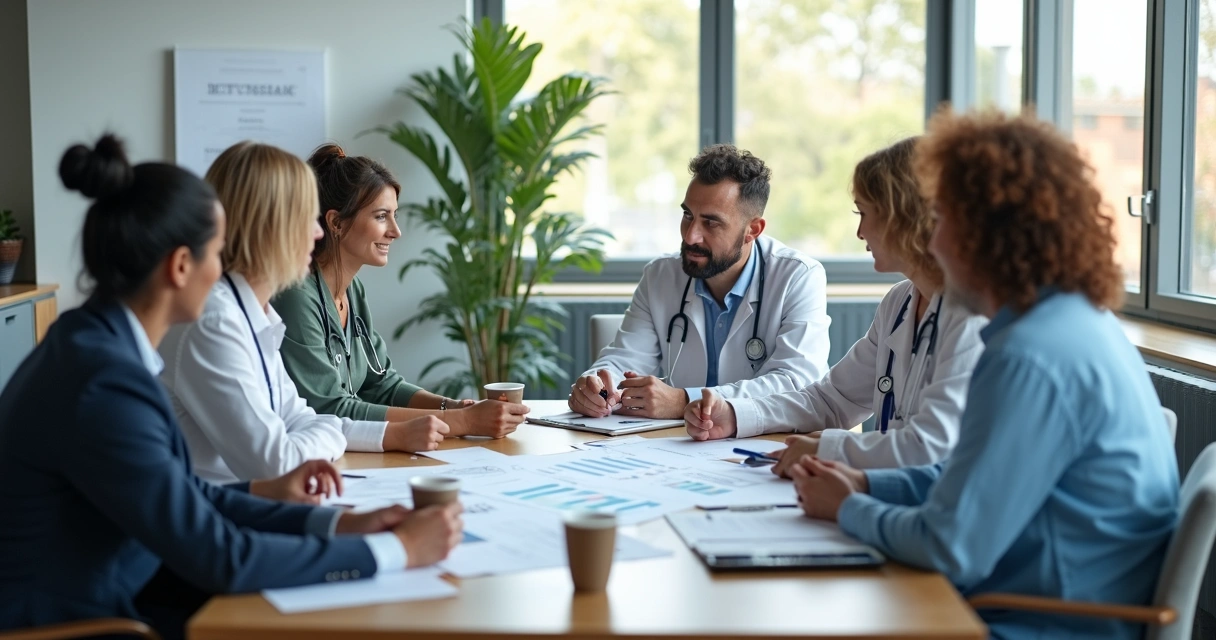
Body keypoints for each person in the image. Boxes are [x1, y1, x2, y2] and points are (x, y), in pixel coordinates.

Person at [0, 134, 461, 638]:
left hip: (124, 587)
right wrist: (397, 551)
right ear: (180, 267)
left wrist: (332, 525)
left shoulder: (97, 348)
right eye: (218, 253)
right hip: (88, 619)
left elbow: (188, 494)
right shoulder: (103, 383)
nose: (225, 272)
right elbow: (219, 555)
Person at [787, 111, 1178, 640]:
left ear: (988, 234)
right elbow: (964, 479)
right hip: (1031, 597)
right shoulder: (1069, 322)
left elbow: (952, 546)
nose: (934, 241)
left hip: (1031, 622)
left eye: (942, 220)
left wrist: (852, 507)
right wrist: (866, 482)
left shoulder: (1030, 356)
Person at [685, 138, 987, 470]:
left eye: (864, 213)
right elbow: (831, 400)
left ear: (905, 217)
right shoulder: (899, 303)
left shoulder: (975, 316)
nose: (860, 232)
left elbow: (930, 448)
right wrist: (735, 415)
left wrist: (829, 448)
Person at [159, 142, 449, 486]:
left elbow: (303, 418)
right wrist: (328, 432)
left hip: (254, 504)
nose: (317, 233)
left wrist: (350, 431)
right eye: (304, 218)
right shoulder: (214, 321)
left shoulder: (253, 313)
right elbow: (277, 462)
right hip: (225, 516)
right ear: (265, 226)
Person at [272, 144, 528, 437]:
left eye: (394, 215)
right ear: (335, 222)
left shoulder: (352, 292)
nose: (395, 230)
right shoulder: (296, 296)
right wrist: (463, 422)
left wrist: (454, 407)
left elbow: (382, 384)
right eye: (381, 216)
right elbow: (331, 408)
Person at [568, 144, 830, 420]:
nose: (691, 236)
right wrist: (594, 386)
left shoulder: (798, 276)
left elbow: (797, 382)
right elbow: (623, 360)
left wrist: (686, 401)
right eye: (687, 215)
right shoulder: (660, 275)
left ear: (752, 230)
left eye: (711, 223)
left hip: (766, 444)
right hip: (680, 444)